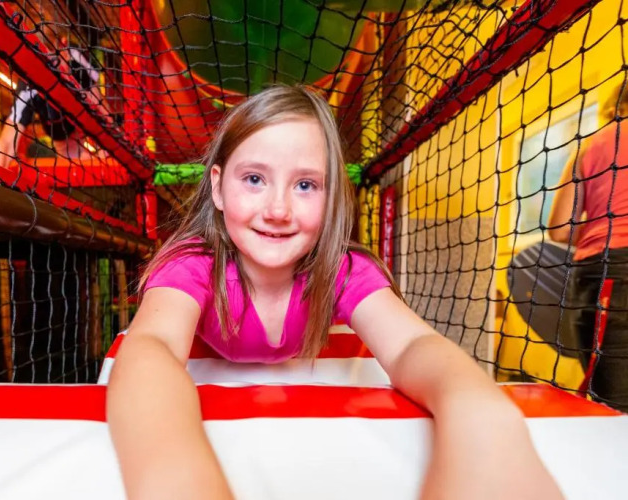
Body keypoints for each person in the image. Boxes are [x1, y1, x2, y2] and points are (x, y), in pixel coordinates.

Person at [107, 85, 563, 499]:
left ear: (331, 200)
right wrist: (174, 471)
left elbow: (411, 345)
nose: (278, 208)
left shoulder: (342, 269)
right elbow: (153, 345)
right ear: (218, 188)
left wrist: (477, 410)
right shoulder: (193, 263)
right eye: (254, 179)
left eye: (306, 185)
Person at [548, 83, 628, 412]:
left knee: (614, 405)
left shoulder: (591, 145)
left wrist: (601, 226)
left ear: (615, 107)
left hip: (606, 271)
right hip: (612, 272)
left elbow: (560, 229)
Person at [0, 37, 102, 168]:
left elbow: (102, 111)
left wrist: (104, 150)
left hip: (78, 122)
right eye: (44, 62)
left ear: (64, 50)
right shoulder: (29, 84)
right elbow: (7, 140)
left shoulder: (77, 64)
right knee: (72, 163)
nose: (51, 69)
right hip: (59, 132)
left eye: (54, 61)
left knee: (97, 152)